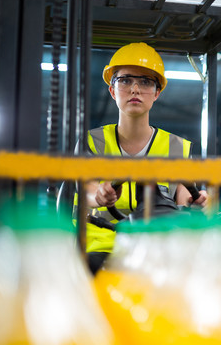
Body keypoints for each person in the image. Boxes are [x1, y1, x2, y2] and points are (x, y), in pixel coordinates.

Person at [75, 42, 208, 275]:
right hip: (101, 251)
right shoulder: (91, 142)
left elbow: (187, 198)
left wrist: (201, 203)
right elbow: (84, 187)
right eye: (125, 80)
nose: (135, 89)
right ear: (112, 90)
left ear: (157, 93)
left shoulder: (176, 147)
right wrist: (98, 195)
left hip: (158, 252)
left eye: (145, 82)